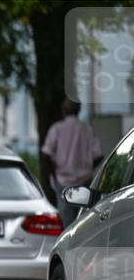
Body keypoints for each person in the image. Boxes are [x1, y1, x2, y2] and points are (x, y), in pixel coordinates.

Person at [41, 98, 103, 228]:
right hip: (85, 182)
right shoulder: (87, 129)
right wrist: (88, 168)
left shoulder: (57, 129)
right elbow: (99, 155)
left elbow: (46, 155)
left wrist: (54, 174)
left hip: (63, 183)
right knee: (84, 224)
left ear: (63, 110)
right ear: (79, 110)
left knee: (67, 226)